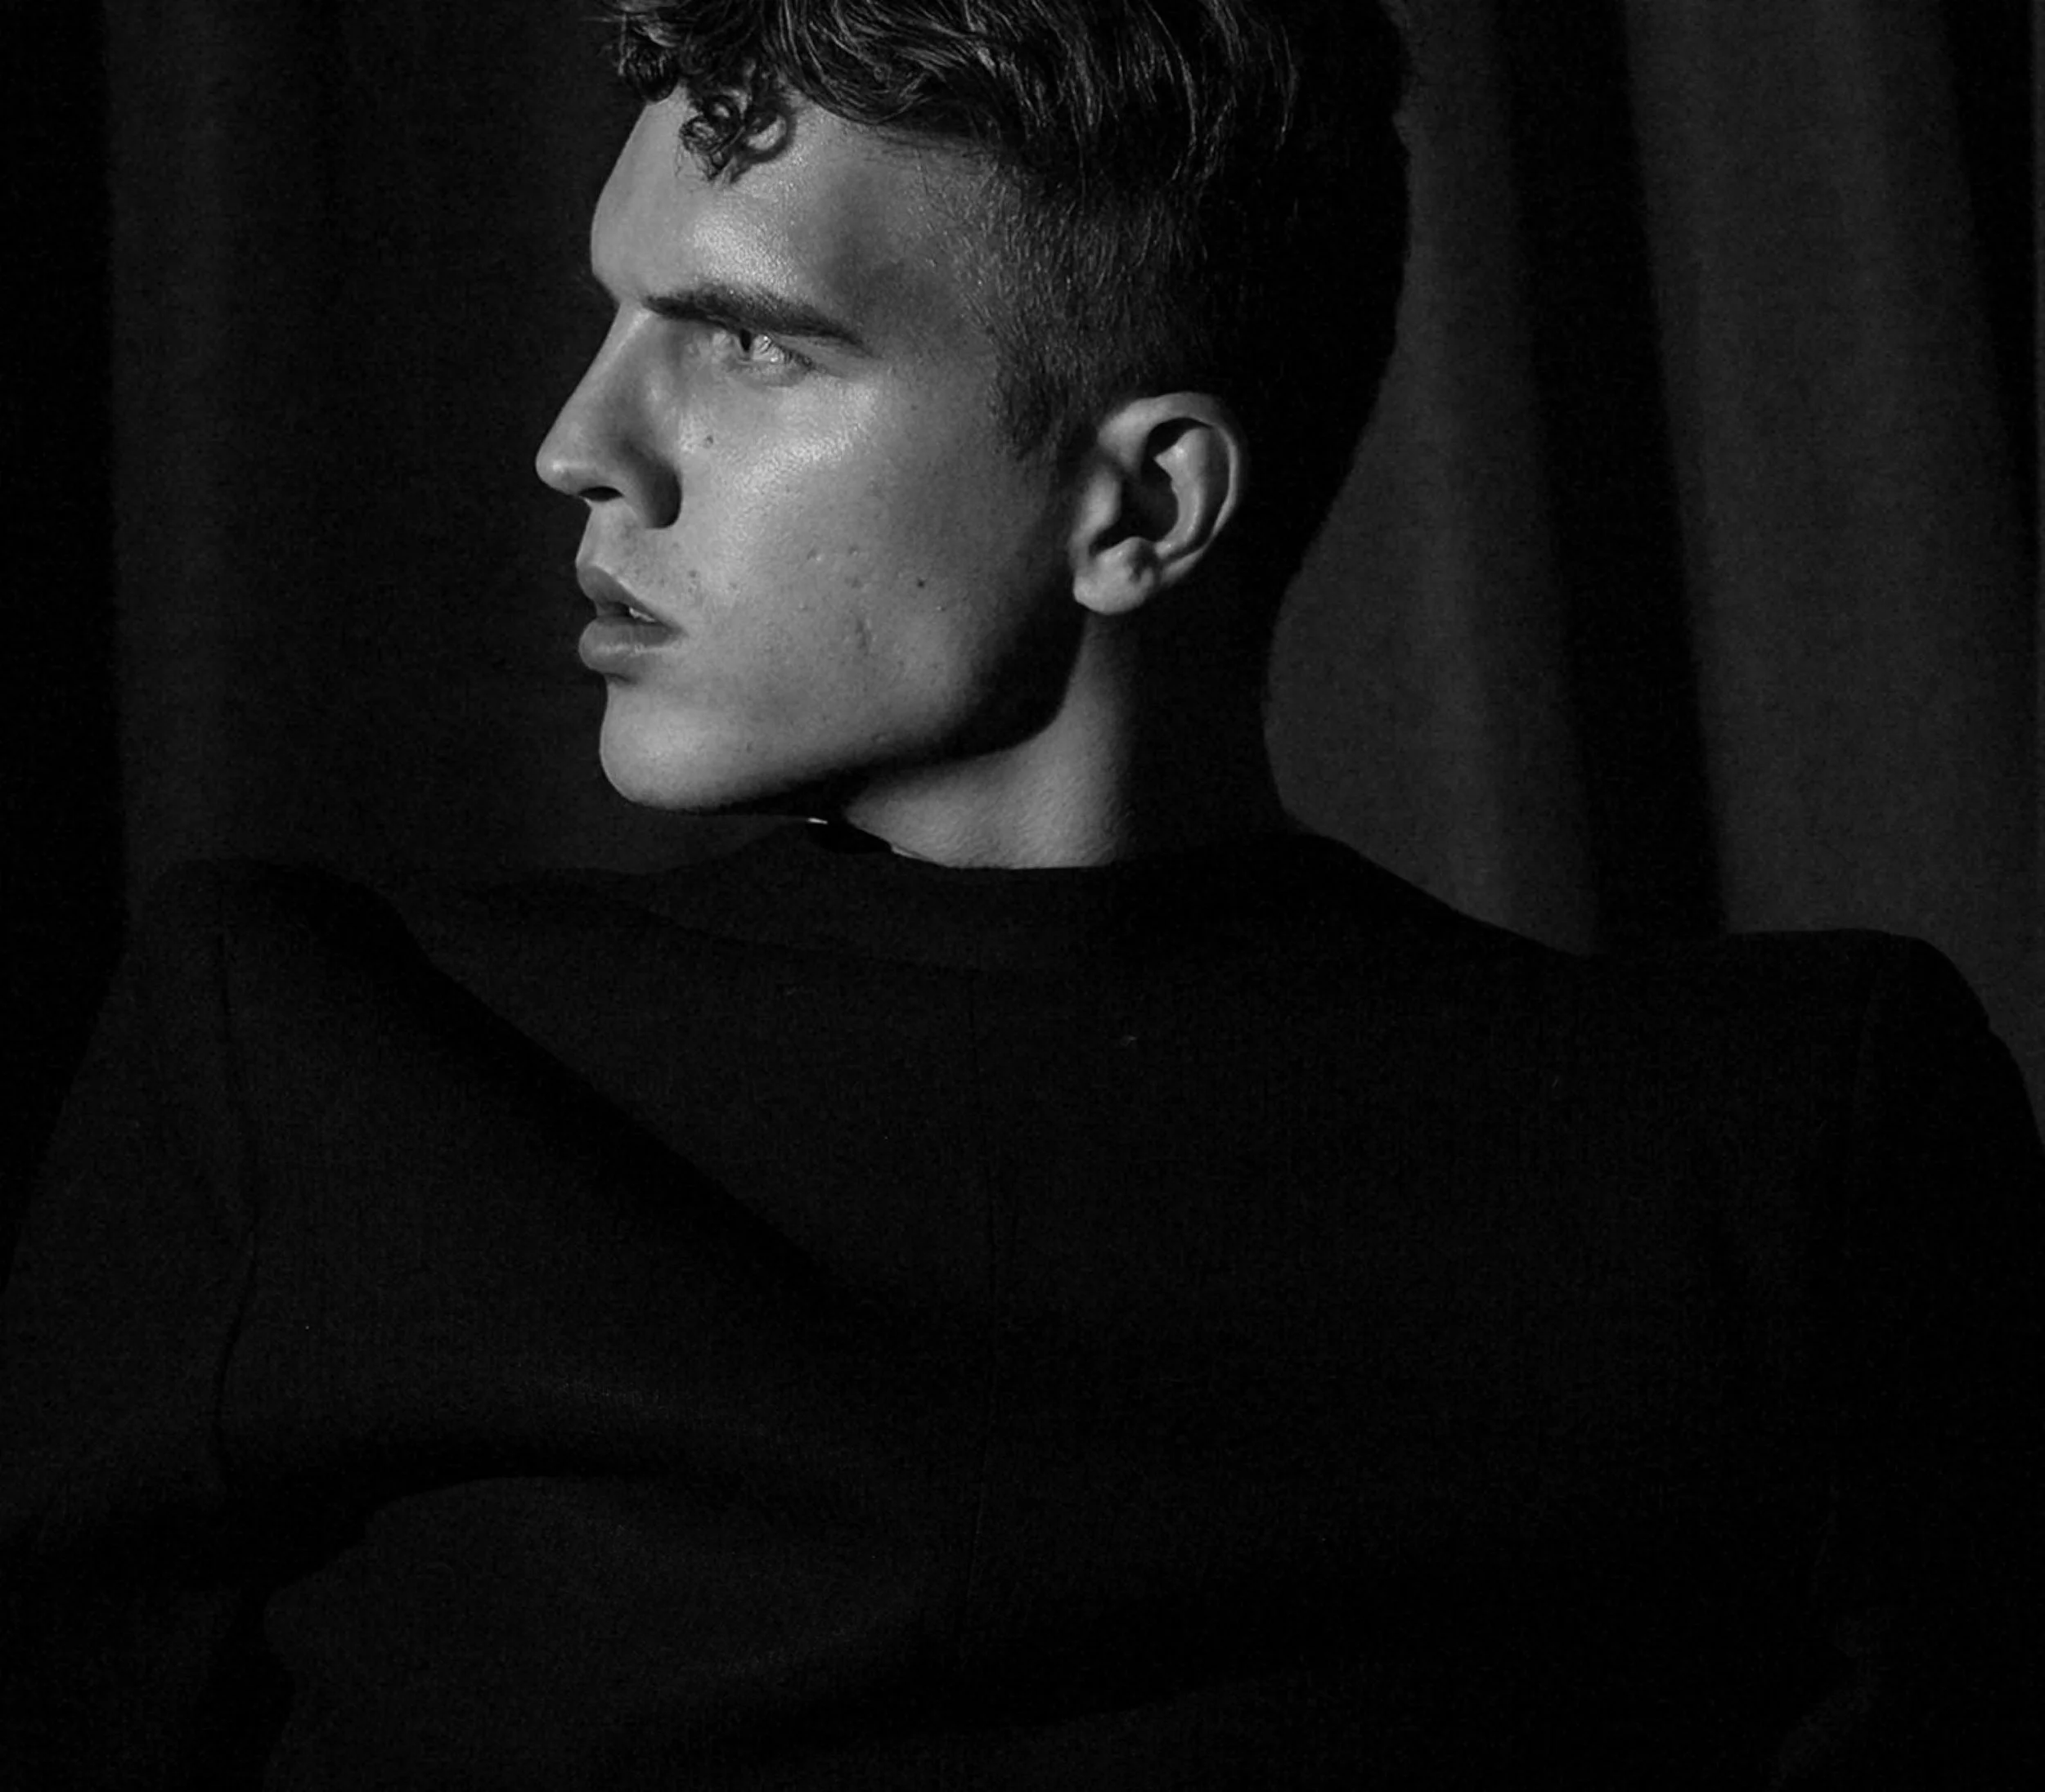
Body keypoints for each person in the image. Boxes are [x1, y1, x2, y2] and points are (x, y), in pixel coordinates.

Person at [2, 2, 2038, 1785]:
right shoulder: (322, 1059)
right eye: (619, 317)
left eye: (744, 346)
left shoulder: (1766, 1153)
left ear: (1141, 506)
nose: (581, 445)